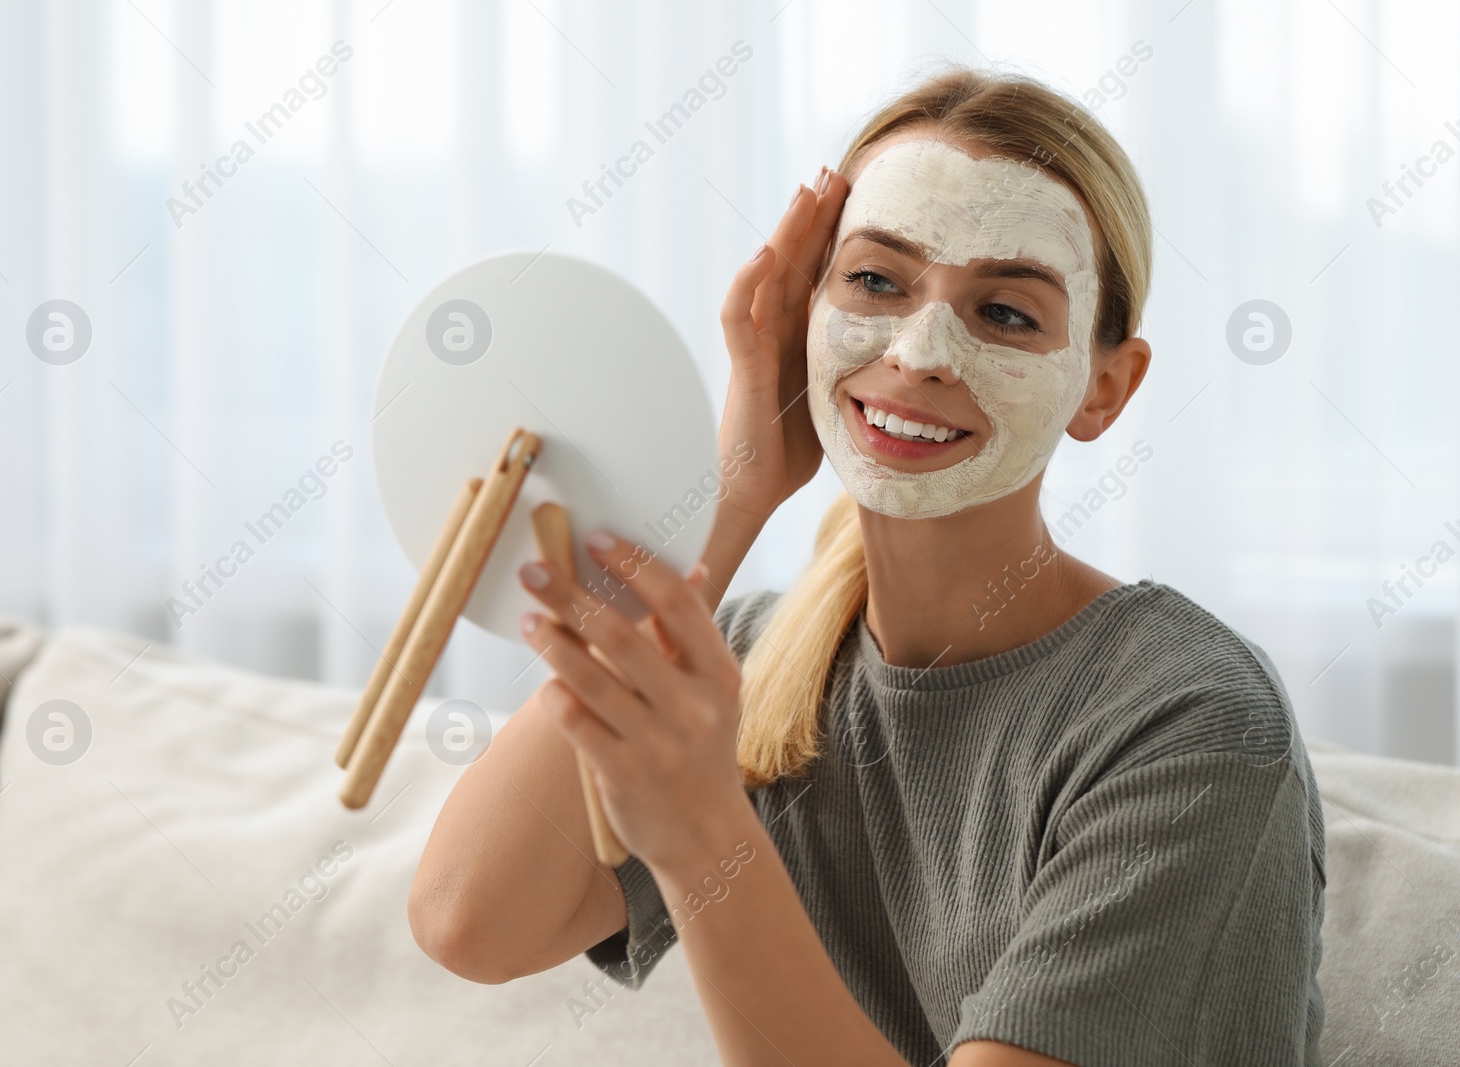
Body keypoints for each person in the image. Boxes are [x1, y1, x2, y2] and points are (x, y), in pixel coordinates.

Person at [409, 67, 1326, 1067]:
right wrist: (732, 494)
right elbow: (469, 918)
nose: (922, 349)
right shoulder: (752, 665)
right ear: (800, 313)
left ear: (1103, 388)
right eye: (876, 282)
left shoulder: (1190, 718)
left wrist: (700, 829)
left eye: (1005, 313)